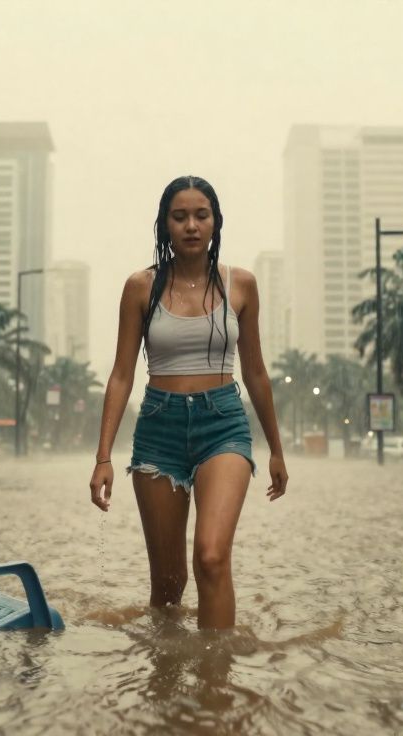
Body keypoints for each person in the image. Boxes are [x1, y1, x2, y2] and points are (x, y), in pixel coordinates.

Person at [89, 175, 289, 630]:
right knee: (167, 585)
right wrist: (103, 456)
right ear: (164, 225)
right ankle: (168, 684)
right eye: (180, 217)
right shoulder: (140, 288)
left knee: (212, 557)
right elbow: (122, 375)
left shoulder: (242, 286)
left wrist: (275, 448)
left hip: (224, 426)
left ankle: (215, 683)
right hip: (159, 429)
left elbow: (256, 371)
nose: (192, 225)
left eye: (202, 215)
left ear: (216, 222)